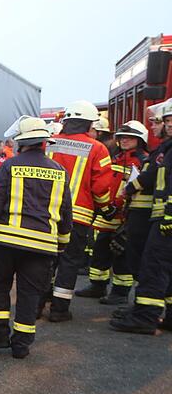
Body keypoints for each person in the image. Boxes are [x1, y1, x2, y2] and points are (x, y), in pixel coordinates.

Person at [0, 118, 71, 359]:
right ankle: (21, 345)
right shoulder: (60, 172)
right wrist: (62, 242)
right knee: (30, 295)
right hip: (41, 247)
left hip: (6, 243)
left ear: (21, 143)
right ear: (44, 144)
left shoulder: (10, 165)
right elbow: (65, 211)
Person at [45, 100, 113, 322]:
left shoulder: (50, 144)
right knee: (70, 261)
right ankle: (59, 309)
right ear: (88, 124)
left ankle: (37, 302)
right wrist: (105, 207)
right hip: (79, 216)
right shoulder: (98, 148)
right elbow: (101, 187)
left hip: (47, 213)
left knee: (45, 258)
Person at [111, 101, 172, 334]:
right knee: (162, 266)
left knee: (153, 265)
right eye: (163, 121)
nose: (159, 126)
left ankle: (145, 317)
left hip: (159, 217)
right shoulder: (164, 150)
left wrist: (132, 186)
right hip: (153, 215)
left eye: (162, 121)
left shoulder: (161, 153)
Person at [75, 121, 148, 303]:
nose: (124, 140)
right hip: (108, 215)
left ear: (140, 139)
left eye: (129, 137)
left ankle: (120, 292)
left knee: (121, 254)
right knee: (100, 250)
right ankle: (97, 286)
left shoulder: (142, 161)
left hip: (126, 216)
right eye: (122, 137)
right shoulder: (116, 157)